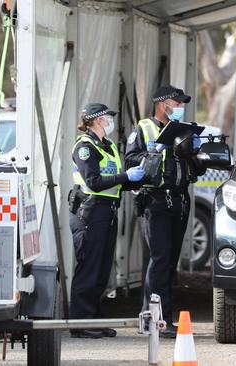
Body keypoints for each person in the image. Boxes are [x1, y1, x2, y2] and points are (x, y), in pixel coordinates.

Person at [124, 86, 202, 338]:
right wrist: (153, 153)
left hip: (179, 199)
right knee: (159, 260)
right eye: (176, 102)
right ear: (162, 103)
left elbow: (195, 168)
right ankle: (151, 319)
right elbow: (130, 160)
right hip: (156, 200)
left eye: (181, 103)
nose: (180, 107)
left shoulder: (184, 129)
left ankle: (164, 318)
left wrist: (194, 150)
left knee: (169, 262)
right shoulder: (144, 128)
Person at [68, 103, 145, 339]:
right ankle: (81, 323)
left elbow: (117, 181)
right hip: (90, 212)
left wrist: (140, 178)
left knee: (102, 270)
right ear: (99, 120)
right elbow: (94, 181)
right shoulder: (85, 147)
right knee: (89, 267)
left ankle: (95, 318)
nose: (111, 121)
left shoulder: (108, 146)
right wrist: (125, 176)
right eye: (109, 117)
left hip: (108, 211)